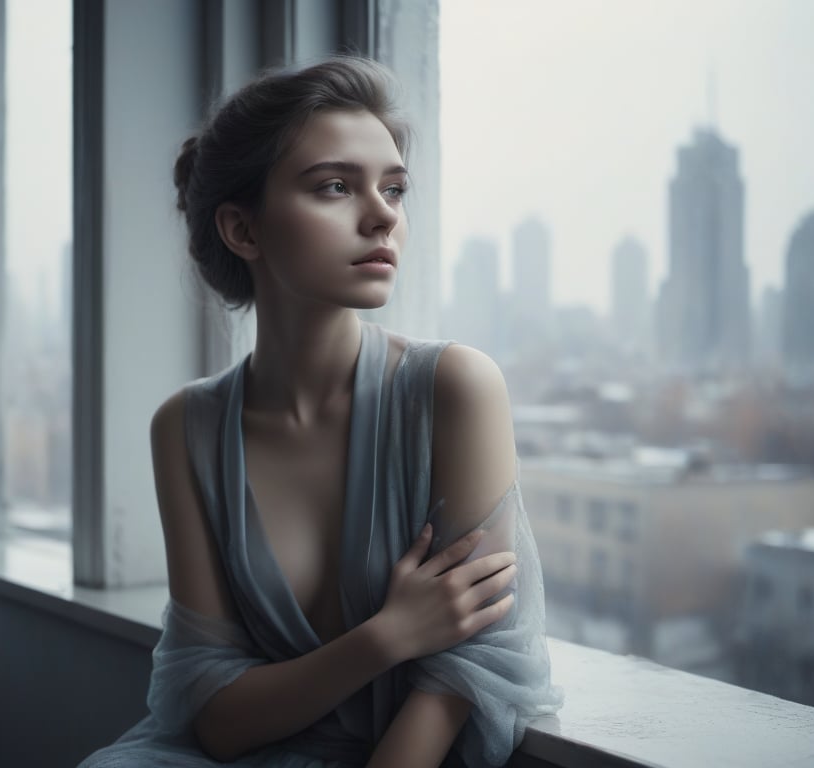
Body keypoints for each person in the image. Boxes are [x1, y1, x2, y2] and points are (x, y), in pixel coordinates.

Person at [79, 56, 561, 768]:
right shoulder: (186, 428)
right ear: (244, 231)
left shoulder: (457, 387)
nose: (384, 215)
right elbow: (214, 716)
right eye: (336, 186)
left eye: (394, 188)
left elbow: (471, 670)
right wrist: (387, 635)